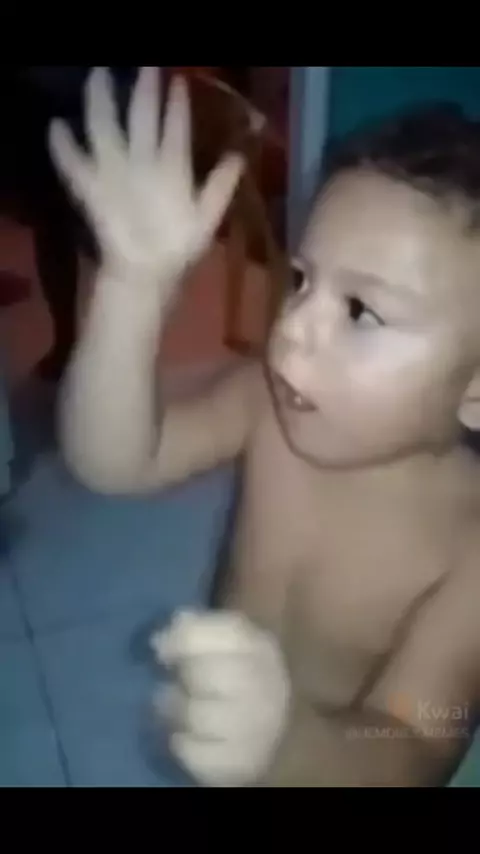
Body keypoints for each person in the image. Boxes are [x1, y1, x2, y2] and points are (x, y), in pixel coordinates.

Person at [49, 67, 480, 787]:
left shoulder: (469, 547)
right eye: (303, 279)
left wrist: (286, 745)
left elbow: (414, 738)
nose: (292, 326)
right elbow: (114, 464)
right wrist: (133, 286)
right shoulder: (267, 402)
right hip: (228, 739)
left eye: (360, 311)